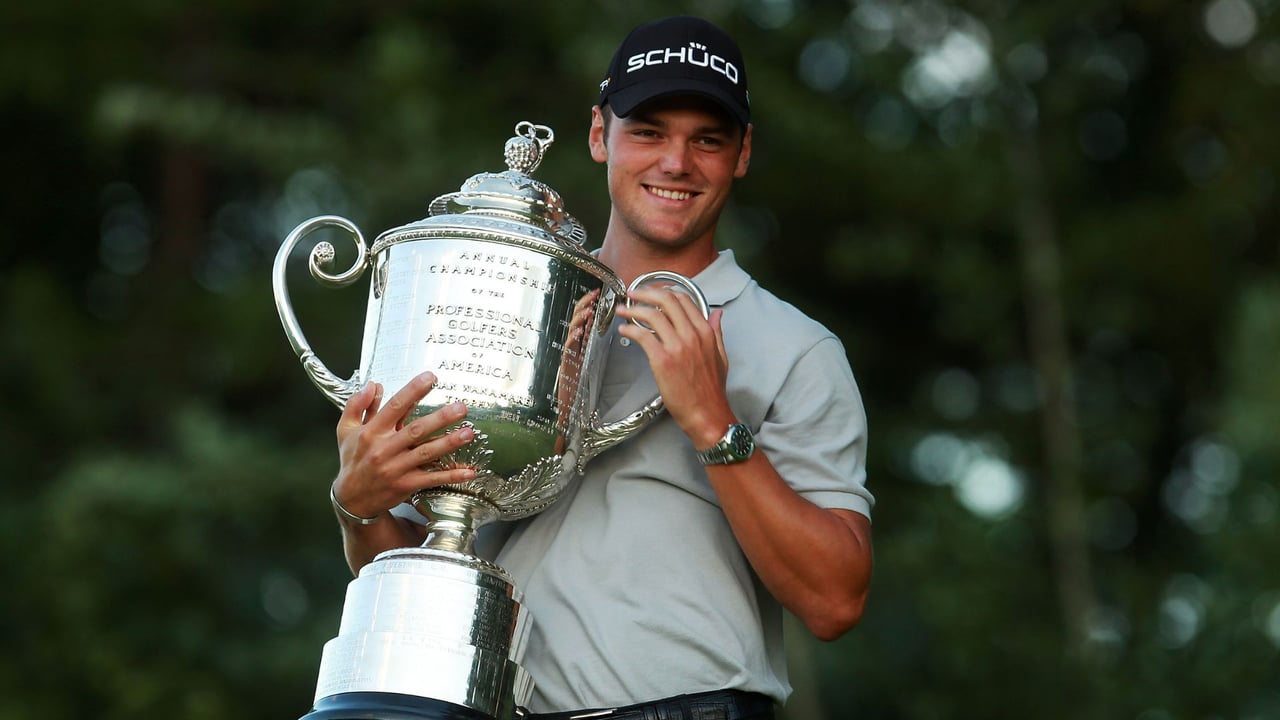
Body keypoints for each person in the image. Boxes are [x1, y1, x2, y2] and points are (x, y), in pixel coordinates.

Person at [327, 15, 873, 720]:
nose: (676, 163)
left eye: (707, 139)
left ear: (741, 154)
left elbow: (835, 601)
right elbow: (409, 568)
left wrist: (712, 419)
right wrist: (357, 505)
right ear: (597, 134)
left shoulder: (796, 349)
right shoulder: (502, 306)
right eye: (648, 131)